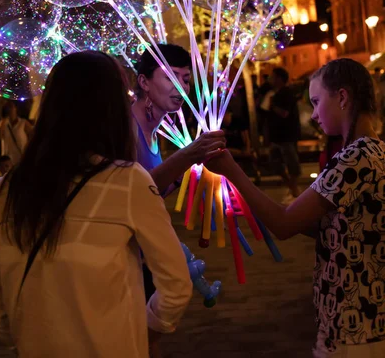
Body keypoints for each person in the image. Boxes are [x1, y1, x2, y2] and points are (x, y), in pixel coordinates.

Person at [0, 51, 192, 357]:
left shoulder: (5, 189)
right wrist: (140, 331)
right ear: (111, 109)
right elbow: (176, 285)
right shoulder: (127, 181)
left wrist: (30, 335)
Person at [206, 58, 385, 357]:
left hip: (354, 327)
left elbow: (285, 224)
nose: (313, 114)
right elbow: (336, 229)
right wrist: (256, 207)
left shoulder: (354, 157)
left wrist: (231, 170)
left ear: (342, 97)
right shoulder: (375, 150)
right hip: (364, 321)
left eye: (316, 102)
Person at [132, 43, 226, 195]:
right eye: (170, 78)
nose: (182, 87)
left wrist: (180, 177)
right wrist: (187, 156)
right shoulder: (125, 129)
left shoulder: (152, 133)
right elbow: (132, 193)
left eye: (186, 80)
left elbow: (153, 195)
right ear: (144, 82)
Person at [267, 67, 301, 203]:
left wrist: (272, 106)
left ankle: (294, 189)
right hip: (278, 137)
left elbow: (285, 113)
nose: (270, 79)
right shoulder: (277, 93)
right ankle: (292, 187)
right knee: (275, 163)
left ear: (279, 79)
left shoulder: (286, 93)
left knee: (291, 163)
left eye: (273, 76)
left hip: (287, 136)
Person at [0, 101, 33, 165]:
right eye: (7, 107)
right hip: (7, 160)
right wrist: (3, 121)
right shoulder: (3, 123)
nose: (9, 109)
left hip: (20, 158)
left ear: (15, 108)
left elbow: (32, 137)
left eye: (11, 107)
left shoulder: (23, 123)